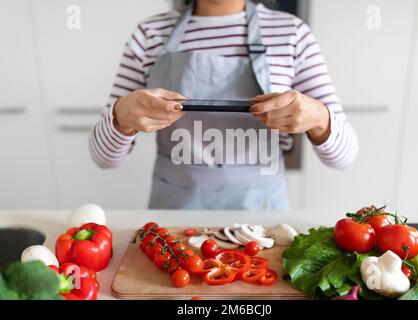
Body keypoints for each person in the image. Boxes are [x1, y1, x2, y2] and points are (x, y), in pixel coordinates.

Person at [89, 0, 358, 210]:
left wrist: (320, 118)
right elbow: (104, 158)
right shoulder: (149, 35)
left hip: (261, 219)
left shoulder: (292, 34)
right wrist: (119, 116)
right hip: (174, 217)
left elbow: (344, 158)